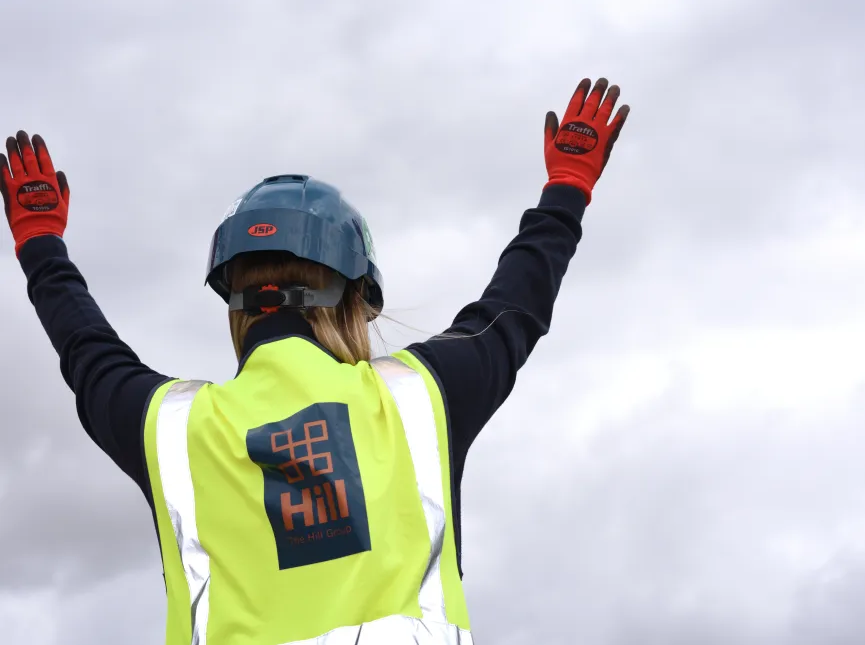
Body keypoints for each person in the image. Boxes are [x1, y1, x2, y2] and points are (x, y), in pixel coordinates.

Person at [1, 77, 629, 644]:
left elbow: (88, 353)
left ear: (236, 307)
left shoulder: (172, 431)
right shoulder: (418, 400)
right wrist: (566, 190)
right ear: (355, 299)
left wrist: (40, 244)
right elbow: (513, 308)